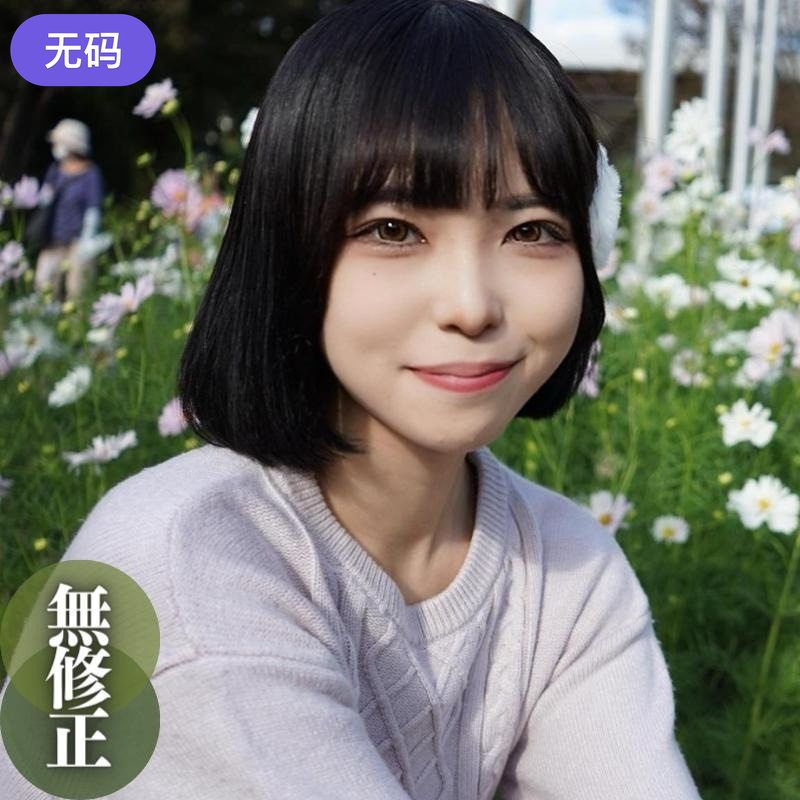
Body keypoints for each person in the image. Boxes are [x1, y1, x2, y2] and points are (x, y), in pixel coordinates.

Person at [0, 1, 704, 797]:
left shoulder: (568, 565)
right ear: (285, 251)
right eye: (393, 230)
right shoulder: (187, 557)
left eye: (533, 230)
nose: (471, 306)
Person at [32, 118, 105, 303]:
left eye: (58, 142)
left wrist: (87, 238)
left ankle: (76, 321)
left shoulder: (91, 174)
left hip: (78, 242)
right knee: (44, 287)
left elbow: (93, 209)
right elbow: (44, 201)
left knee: (78, 291)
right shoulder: (55, 171)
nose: (55, 147)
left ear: (71, 144)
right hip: (53, 240)